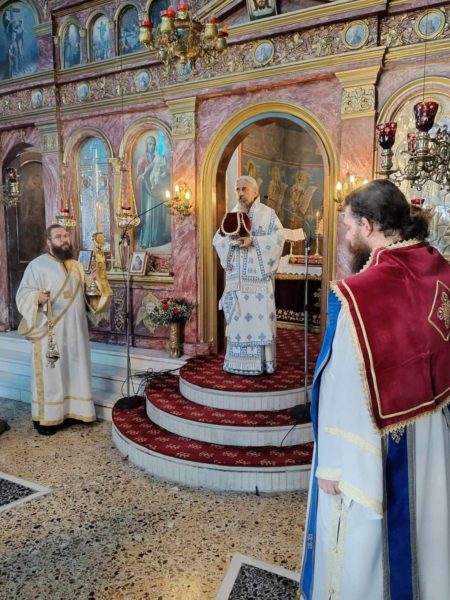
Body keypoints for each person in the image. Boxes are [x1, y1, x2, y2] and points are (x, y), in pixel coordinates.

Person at [300, 179, 450, 600]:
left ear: (368, 225)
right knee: (425, 536)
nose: (346, 233)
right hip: (431, 433)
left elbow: (343, 384)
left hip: (377, 441)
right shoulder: (436, 267)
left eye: (349, 225)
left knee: (371, 548)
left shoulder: (360, 295)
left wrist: (333, 464)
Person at [16, 225, 99, 435]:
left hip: (76, 331)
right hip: (50, 332)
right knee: (52, 374)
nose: (64, 240)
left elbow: (89, 296)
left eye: (66, 235)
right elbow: (23, 294)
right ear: (49, 242)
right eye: (59, 236)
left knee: (75, 369)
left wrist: (96, 282)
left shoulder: (77, 266)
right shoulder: (37, 266)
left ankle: (75, 412)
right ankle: (48, 418)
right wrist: (37, 298)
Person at [213, 175, 285, 375]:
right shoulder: (231, 215)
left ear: (255, 191)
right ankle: (237, 363)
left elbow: (279, 238)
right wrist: (232, 242)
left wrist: (253, 241)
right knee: (238, 324)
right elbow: (217, 240)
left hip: (259, 282)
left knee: (260, 322)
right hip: (237, 282)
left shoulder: (268, 214)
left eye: (244, 189)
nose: (240, 193)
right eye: (238, 189)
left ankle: (263, 364)